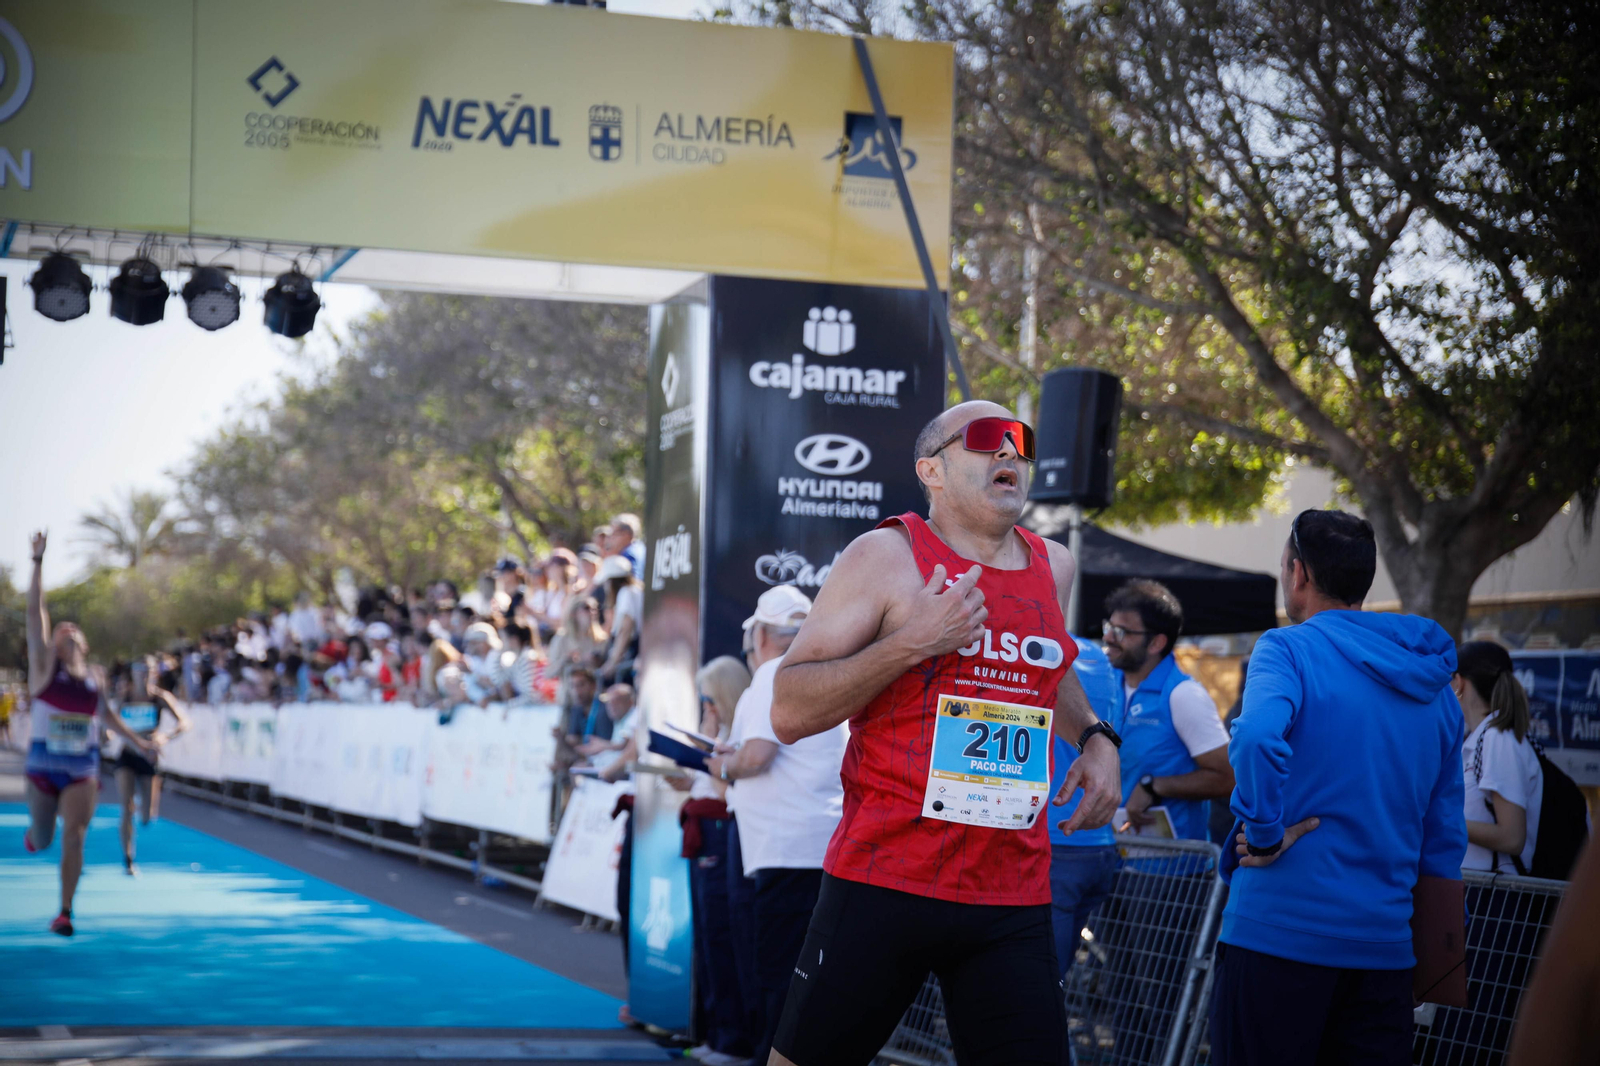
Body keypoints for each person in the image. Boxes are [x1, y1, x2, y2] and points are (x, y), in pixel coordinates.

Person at [767, 402, 1123, 1066]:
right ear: (930, 469)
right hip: (886, 880)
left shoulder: (1055, 566)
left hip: (1010, 891)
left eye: (1021, 442)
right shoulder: (886, 555)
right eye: (988, 440)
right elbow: (789, 708)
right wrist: (911, 643)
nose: (1010, 454)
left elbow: (1051, 664)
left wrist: (1099, 737)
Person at [1210, 509, 1468, 1066]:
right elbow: (1444, 836)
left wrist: (1264, 831)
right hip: (1386, 953)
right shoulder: (1439, 690)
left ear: (1297, 574)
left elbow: (1255, 737)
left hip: (1278, 936)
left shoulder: (1287, 650)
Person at [706, 587, 843, 1066]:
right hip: (812, 848)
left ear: (760, 635)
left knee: (778, 984)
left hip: (786, 852)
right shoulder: (825, 668)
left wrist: (722, 765)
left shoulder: (772, 673)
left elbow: (758, 756)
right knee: (797, 984)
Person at [23, 531, 154, 935]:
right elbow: (34, 614)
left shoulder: (94, 678)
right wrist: (38, 562)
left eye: (72, 629)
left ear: (82, 641)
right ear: (53, 643)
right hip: (43, 766)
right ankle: (37, 834)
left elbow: (110, 719)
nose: (66, 629)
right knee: (45, 837)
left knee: (75, 837)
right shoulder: (45, 669)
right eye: (59, 629)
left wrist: (140, 742)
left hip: (82, 767)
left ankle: (65, 911)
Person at [1101, 580, 1233, 839]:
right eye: (1109, 627)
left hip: (1173, 873)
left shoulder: (1184, 695)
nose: (1108, 638)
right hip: (1112, 859)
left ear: (1156, 643)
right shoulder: (1108, 684)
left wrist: (1154, 786)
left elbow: (1229, 778)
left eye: (1121, 631)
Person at [680, 655, 756, 1066]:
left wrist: (707, 751)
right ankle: (715, 1031)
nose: (706, 705)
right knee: (708, 937)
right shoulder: (723, 731)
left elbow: (725, 792)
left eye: (709, 697)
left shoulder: (741, 733)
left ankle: (733, 1039)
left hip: (723, 833)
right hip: (704, 832)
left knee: (722, 935)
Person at [1047, 637, 1126, 984]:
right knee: (1051, 977)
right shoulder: (1103, 664)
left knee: (1038, 981)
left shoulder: (1041, 651)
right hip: (1097, 844)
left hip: (1055, 839)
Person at [1455, 640, 1542, 873]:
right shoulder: (1483, 736)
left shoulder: (1497, 738)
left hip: (1497, 897)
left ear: (1459, 683)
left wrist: (1444, 824)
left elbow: (1512, 838)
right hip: (1484, 893)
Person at [111, 656, 190, 875]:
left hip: (149, 758)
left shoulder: (160, 698)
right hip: (127, 755)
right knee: (126, 809)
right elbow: (110, 722)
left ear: (154, 673)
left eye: (148, 670)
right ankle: (128, 858)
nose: (143, 674)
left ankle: (143, 811)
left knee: (146, 817)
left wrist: (165, 737)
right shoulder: (124, 697)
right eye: (139, 670)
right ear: (132, 674)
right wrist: (107, 734)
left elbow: (184, 722)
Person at [611, 512, 646, 580]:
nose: (612, 537)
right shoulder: (641, 547)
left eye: (615, 533)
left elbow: (635, 580)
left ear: (626, 534)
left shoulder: (629, 554)